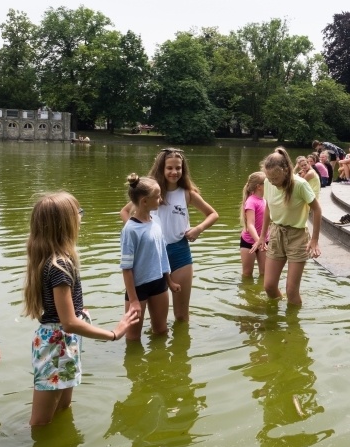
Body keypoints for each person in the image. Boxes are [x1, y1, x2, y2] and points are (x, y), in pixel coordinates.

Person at [23, 192, 138, 426]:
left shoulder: (55, 258)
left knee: (62, 407)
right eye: (78, 213)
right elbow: (69, 322)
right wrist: (114, 333)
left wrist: (79, 309)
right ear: (65, 223)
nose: (81, 217)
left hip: (60, 343)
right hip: (57, 345)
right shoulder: (60, 265)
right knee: (40, 422)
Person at [120, 148, 218, 323]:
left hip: (179, 252)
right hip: (152, 255)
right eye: (169, 168)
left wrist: (198, 229)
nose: (174, 172)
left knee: (181, 315)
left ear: (183, 169)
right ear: (161, 169)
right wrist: (138, 233)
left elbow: (212, 214)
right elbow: (125, 212)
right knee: (157, 316)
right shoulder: (152, 192)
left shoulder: (187, 193)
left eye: (178, 168)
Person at [251, 147, 322, 306]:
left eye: (276, 178)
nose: (273, 182)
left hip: (297, 237)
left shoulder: (300, 184)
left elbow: (317, 209)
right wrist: (263, 236)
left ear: (286, 170)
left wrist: (315, 240)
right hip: (276, 234)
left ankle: (293, 326)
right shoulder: (268, 183)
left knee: (291, 290)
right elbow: (269, 208)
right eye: (270, 178)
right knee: (269, 287)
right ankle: (276, 321)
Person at [120, 174, 181, 338]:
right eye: (157, 196)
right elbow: (126, 268)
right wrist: (133, 300)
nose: (161, 199)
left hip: (159, 282)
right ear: (144, 201)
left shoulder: (155, 221)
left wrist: (169, 281)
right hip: (138, 288)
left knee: (161, 331)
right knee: (133, 338)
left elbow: (162, 256)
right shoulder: (130, 230)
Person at [239, 171, 267, 278]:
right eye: (267, 183)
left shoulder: (265, 200)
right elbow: (250, 224)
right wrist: (258, 240)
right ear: (259, 186)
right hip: (249, 241)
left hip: (264, 240)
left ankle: (261, 294)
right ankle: (248, 294)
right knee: (247, 274)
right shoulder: (251, 201)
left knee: (264, 274)